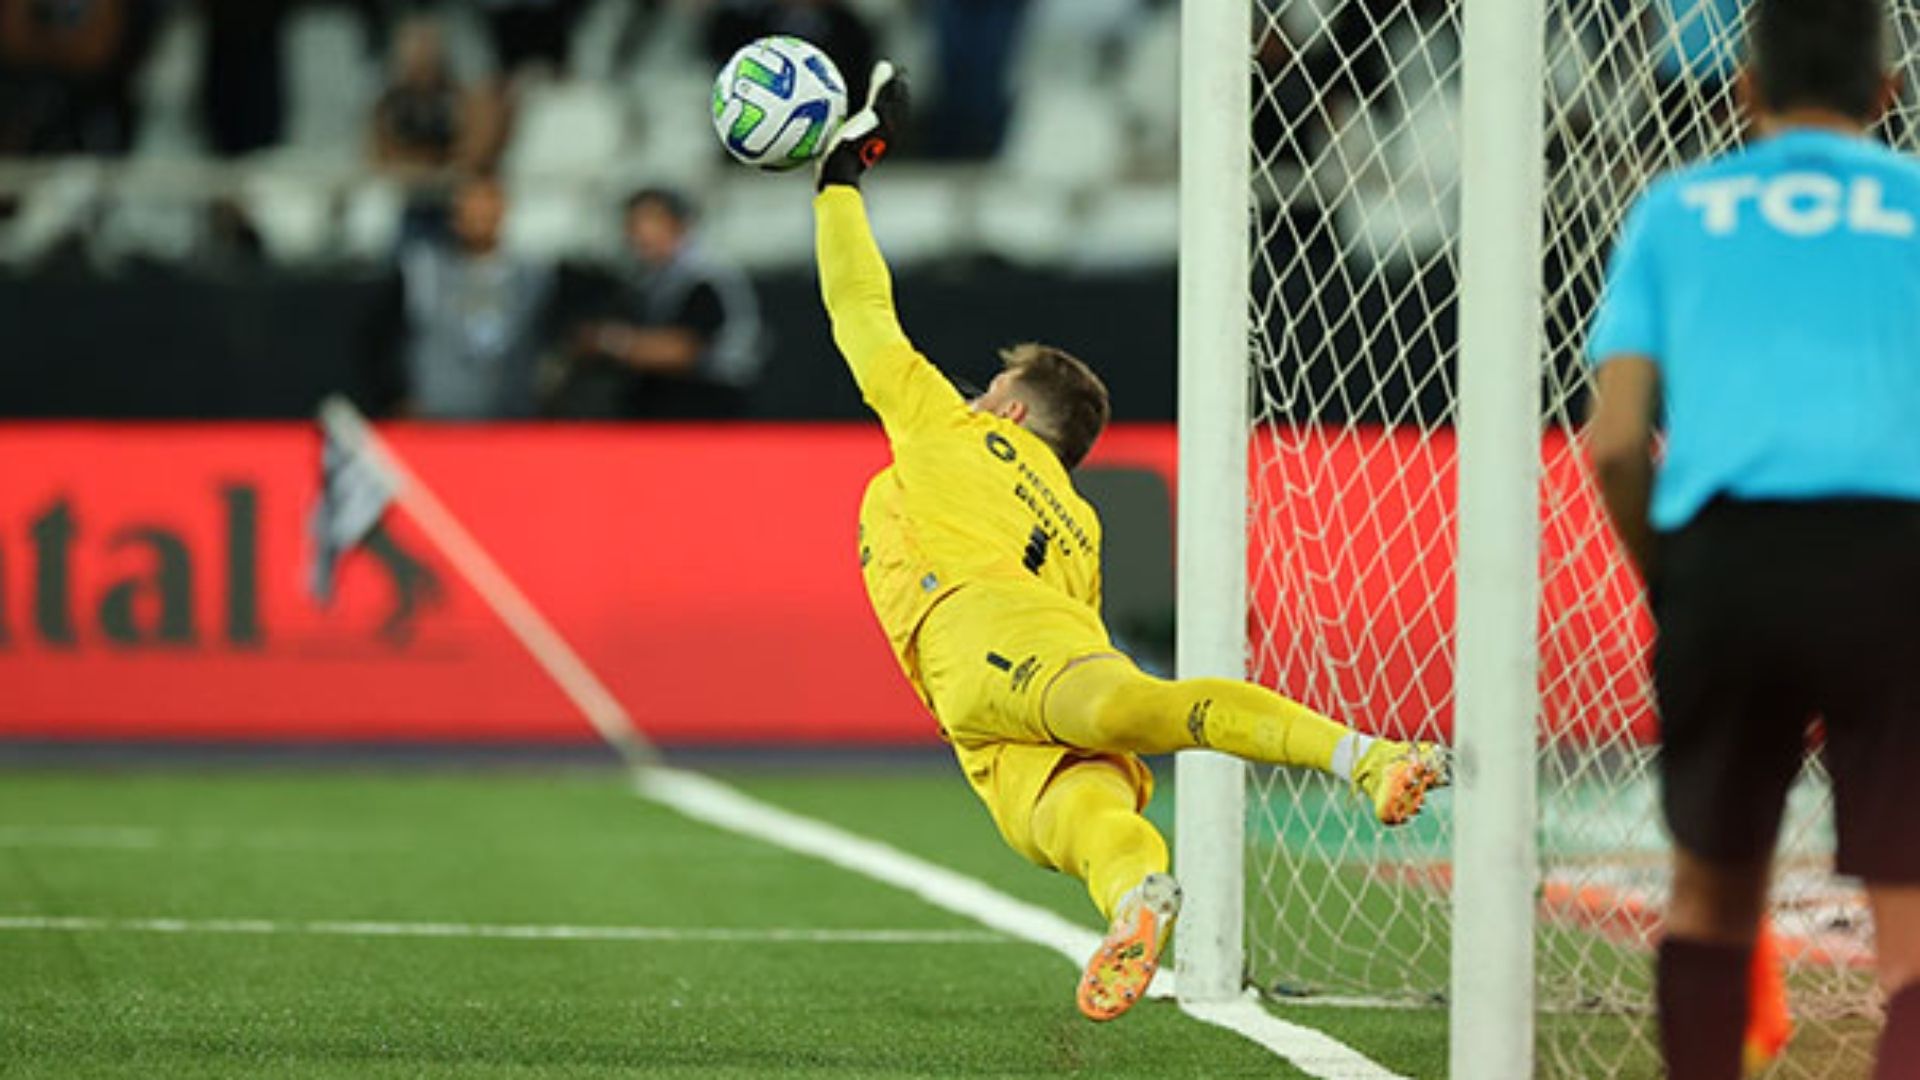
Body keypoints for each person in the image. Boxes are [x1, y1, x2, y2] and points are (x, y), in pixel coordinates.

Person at [810, 62, 1449, 1022]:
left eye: (991, 393)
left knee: (1135, 720)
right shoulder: (1080, 516)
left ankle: (1361, 757)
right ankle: (1135, 901)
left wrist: (838, 182)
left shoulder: (952, 428)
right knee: (1091, 810)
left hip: (974, 653)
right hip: (1006, 677)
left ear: (1013, 411)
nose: (976, 399)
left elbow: (860, 310)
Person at [1585, 1, 1920, 1076]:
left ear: (1742, 91)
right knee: (1911, 910)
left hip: (1730, 563)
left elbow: (1618, 446)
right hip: (1897, 562)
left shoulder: (1677, 212)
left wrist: (1672, 581)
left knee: (1713, 891)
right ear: (1888, 93)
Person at [561, 188, 763, 419]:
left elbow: (682, 350)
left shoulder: (706, 277)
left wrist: (610, 342)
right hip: (659, 410)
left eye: (653, 221)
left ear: (680, 225)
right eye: (634, 224)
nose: (641, 233)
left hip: (709, 407)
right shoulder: (645, 279)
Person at [388, 173, 555, 420]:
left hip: (512, 419)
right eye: (467, 208)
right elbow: (388, 339)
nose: (477, 217)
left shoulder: (535, 275)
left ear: (502, 211)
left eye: (485, 207)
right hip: (438, 417)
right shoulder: (422, 270)